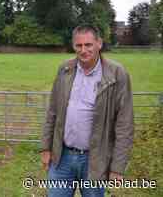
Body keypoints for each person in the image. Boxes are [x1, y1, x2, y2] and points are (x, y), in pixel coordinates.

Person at [40, 25, 134, 197]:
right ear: (73, 46)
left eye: (88, 45)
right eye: (79, 45)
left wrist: (117, 168)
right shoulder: (65, 69)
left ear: (99, 43)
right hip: (62, 157)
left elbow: (125, 124)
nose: (83, 50)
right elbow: (52, 111)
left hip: (95, 160)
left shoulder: (117, 74)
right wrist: (46, 148)